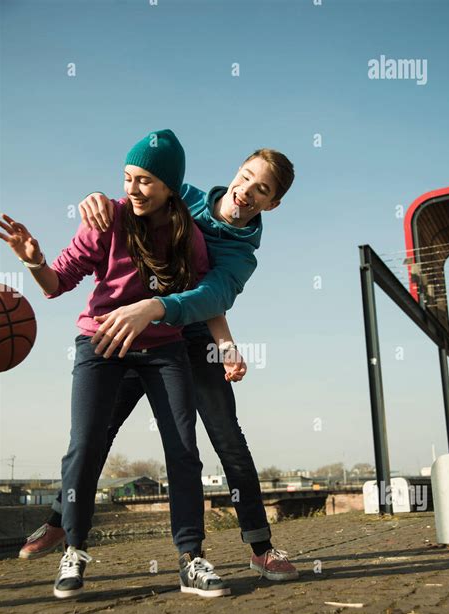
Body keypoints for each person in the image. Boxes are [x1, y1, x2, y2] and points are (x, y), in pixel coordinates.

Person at [18, 148, 300, 583]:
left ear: (271, 203)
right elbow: (136, 193)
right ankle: (61, 523)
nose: (246, 192)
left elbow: (211, 297)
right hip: (138, 328)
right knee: (96, 431)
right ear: (236, 172)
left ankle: (259, 547)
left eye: (261, 190)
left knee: (227, 440)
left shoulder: (242, 255)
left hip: (185, 334)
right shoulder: (186, 196)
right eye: (245, 177)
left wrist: (219, 342)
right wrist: (95, 197)